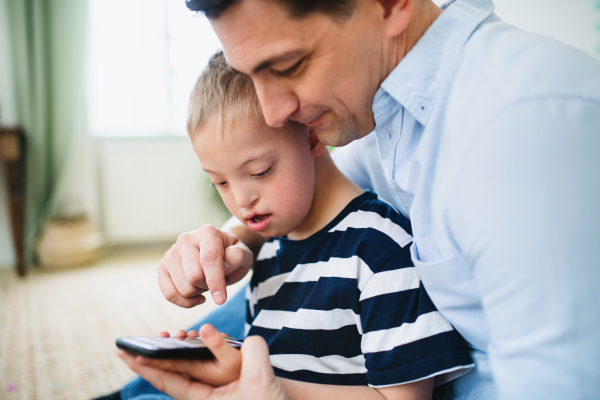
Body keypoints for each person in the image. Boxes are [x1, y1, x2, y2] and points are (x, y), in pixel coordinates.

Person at [111, 0, 600, 399]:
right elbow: (317, 194)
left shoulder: (526, 129)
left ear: (389, 4)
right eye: (252, 75)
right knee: (251, 305)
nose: (274, 112)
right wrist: (229, 239)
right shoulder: (368, 98)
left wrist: (273, 390)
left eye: (287, 66)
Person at [119, 49, 474, 399]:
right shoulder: (269, 251)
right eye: (221, 183)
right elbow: (286, 365)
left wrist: (273, 390)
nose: (241, 201)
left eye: (260, 171)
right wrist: (228, 366)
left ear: (313, 136)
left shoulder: (379, 252)